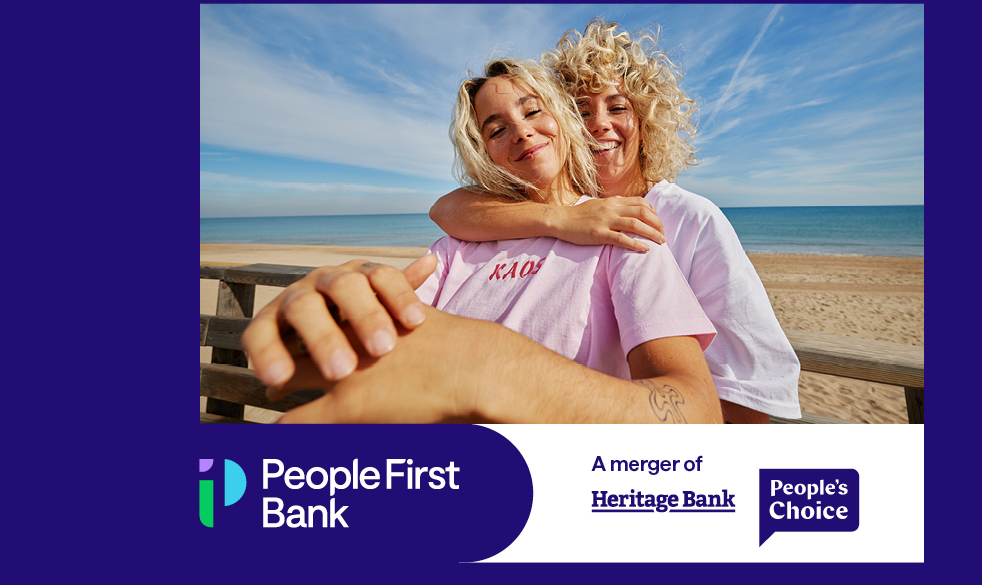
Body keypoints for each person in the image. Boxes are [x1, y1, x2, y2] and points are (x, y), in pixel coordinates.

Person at [240, 58, 722, 424]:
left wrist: (494, 369)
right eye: (497, 129)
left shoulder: (620, 230)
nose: (521, 131)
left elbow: (696, 415)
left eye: (533, 111)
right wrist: (341, 314)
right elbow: (393, 344)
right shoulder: (457, 247)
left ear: (562, 118)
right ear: (484, 153)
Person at [430, 19, 801, 423]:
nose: (599, 124)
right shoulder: (532, 219)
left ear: (646, 117)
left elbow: (743, 393)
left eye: (618, 107)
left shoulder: (686, 220)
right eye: (581, 111)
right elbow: (447, 209)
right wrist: (559, 218)